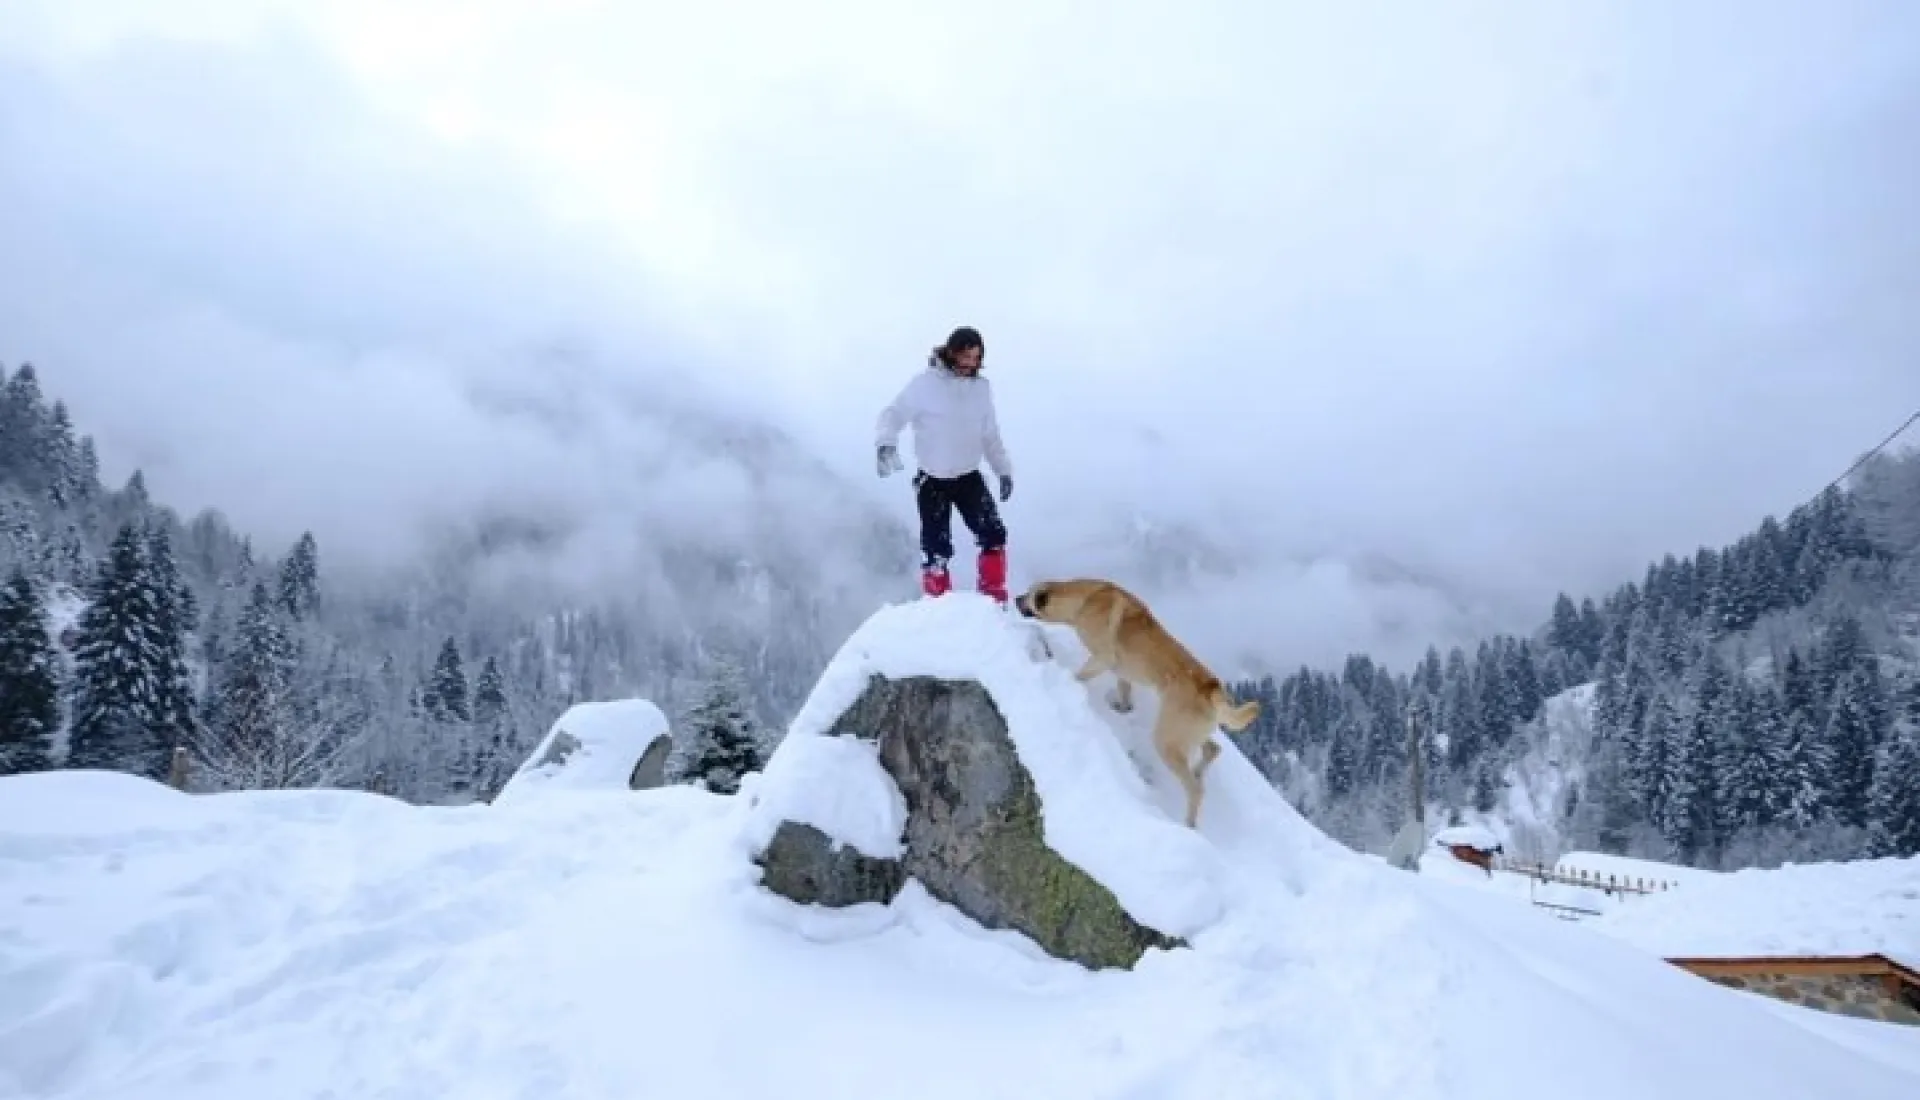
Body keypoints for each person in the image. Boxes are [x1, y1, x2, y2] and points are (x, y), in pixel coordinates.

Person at [875, 325, 1014, 603]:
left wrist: (1003, 470)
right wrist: (886, 442)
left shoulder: (981, 389)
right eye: (965, 356)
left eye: (976, 358)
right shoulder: (925, 385)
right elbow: (894, 413)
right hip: (933, 480)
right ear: (951, 352)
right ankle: (939, 608)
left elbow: (990, 435)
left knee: (993, 534)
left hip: (969, 477)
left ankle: (994, 599)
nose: (970, 364)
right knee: (936, 549)